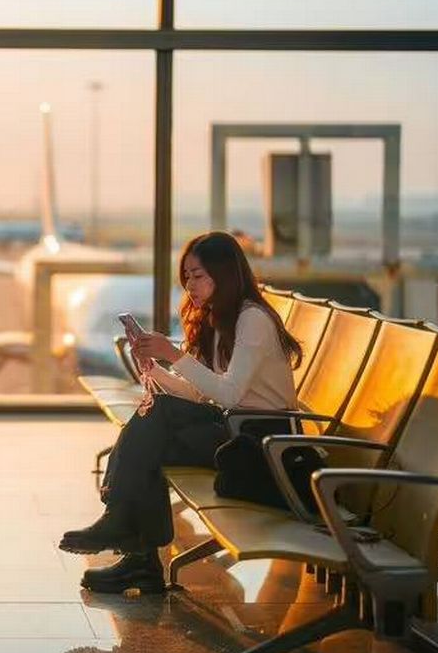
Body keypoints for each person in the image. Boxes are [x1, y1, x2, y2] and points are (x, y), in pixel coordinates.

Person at [60, 231, 303, 594]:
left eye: (199, 275)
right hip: (232, 429)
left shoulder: (252, 320)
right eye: (187, 275)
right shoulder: (216, 319)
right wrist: (153, 367)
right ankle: (138, 556)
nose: (190, 284)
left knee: (155, 429)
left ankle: (126, 535)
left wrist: (174, 356)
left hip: (262, 443)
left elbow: (231, 394)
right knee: (152, 442)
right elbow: (197, 392)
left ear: (225, 275)